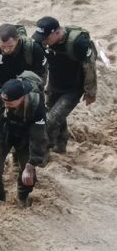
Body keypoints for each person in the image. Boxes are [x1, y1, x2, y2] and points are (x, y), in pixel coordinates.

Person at [0, 75, 48, 206]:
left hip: (25, 138)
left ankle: (23, 197)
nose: (6, 106)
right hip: (3, 133)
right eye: (4, 102)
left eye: (10, 103)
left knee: (29, 176)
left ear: (22, 98)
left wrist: (30, 165)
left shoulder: (36, 106)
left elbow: (39, 138)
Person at [32, 16, 98, 154]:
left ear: (57, 32)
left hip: (73, 88)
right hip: (54, 84)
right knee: (53, 115)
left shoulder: (78, 43)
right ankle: (61, 145)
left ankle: (44, 152)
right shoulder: (42, 42)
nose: (43, 41)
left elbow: (89, 66)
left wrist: (90, 91)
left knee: (51, 120)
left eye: (46, 37)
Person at [0, 23, 47, 102]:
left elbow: (40, 75)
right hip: (0, 86)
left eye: (10, 46)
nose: (6, 50)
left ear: (18, 39)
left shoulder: (32, 48)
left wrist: (32, 94)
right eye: (3, 46)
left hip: (24, 88)